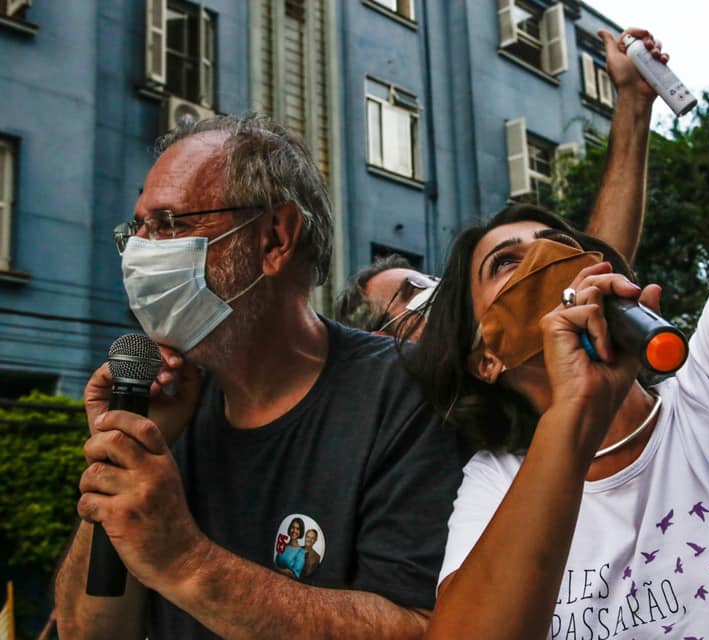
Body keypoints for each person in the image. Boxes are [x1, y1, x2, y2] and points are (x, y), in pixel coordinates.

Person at [405, 2, 709, 637]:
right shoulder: (495, 485)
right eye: (509, 261)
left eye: (562, 246)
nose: (547, 261)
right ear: (486, 357)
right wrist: (572, 415)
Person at [53, 114, 462, 639]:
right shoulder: (168, 410)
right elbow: (88, 633)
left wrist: (185, 562)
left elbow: (423, 629)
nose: (141, 252)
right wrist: (123, 454)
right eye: (137, 230)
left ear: (274, 239)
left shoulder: (407, 395)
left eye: (170, 225)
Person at [334, 29, 670, 340]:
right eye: (411, 295)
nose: (437, 294)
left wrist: (631, 101)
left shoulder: (517, 349)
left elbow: (598, 260)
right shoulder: (443, 395)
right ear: (379, 340)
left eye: (433, 283)